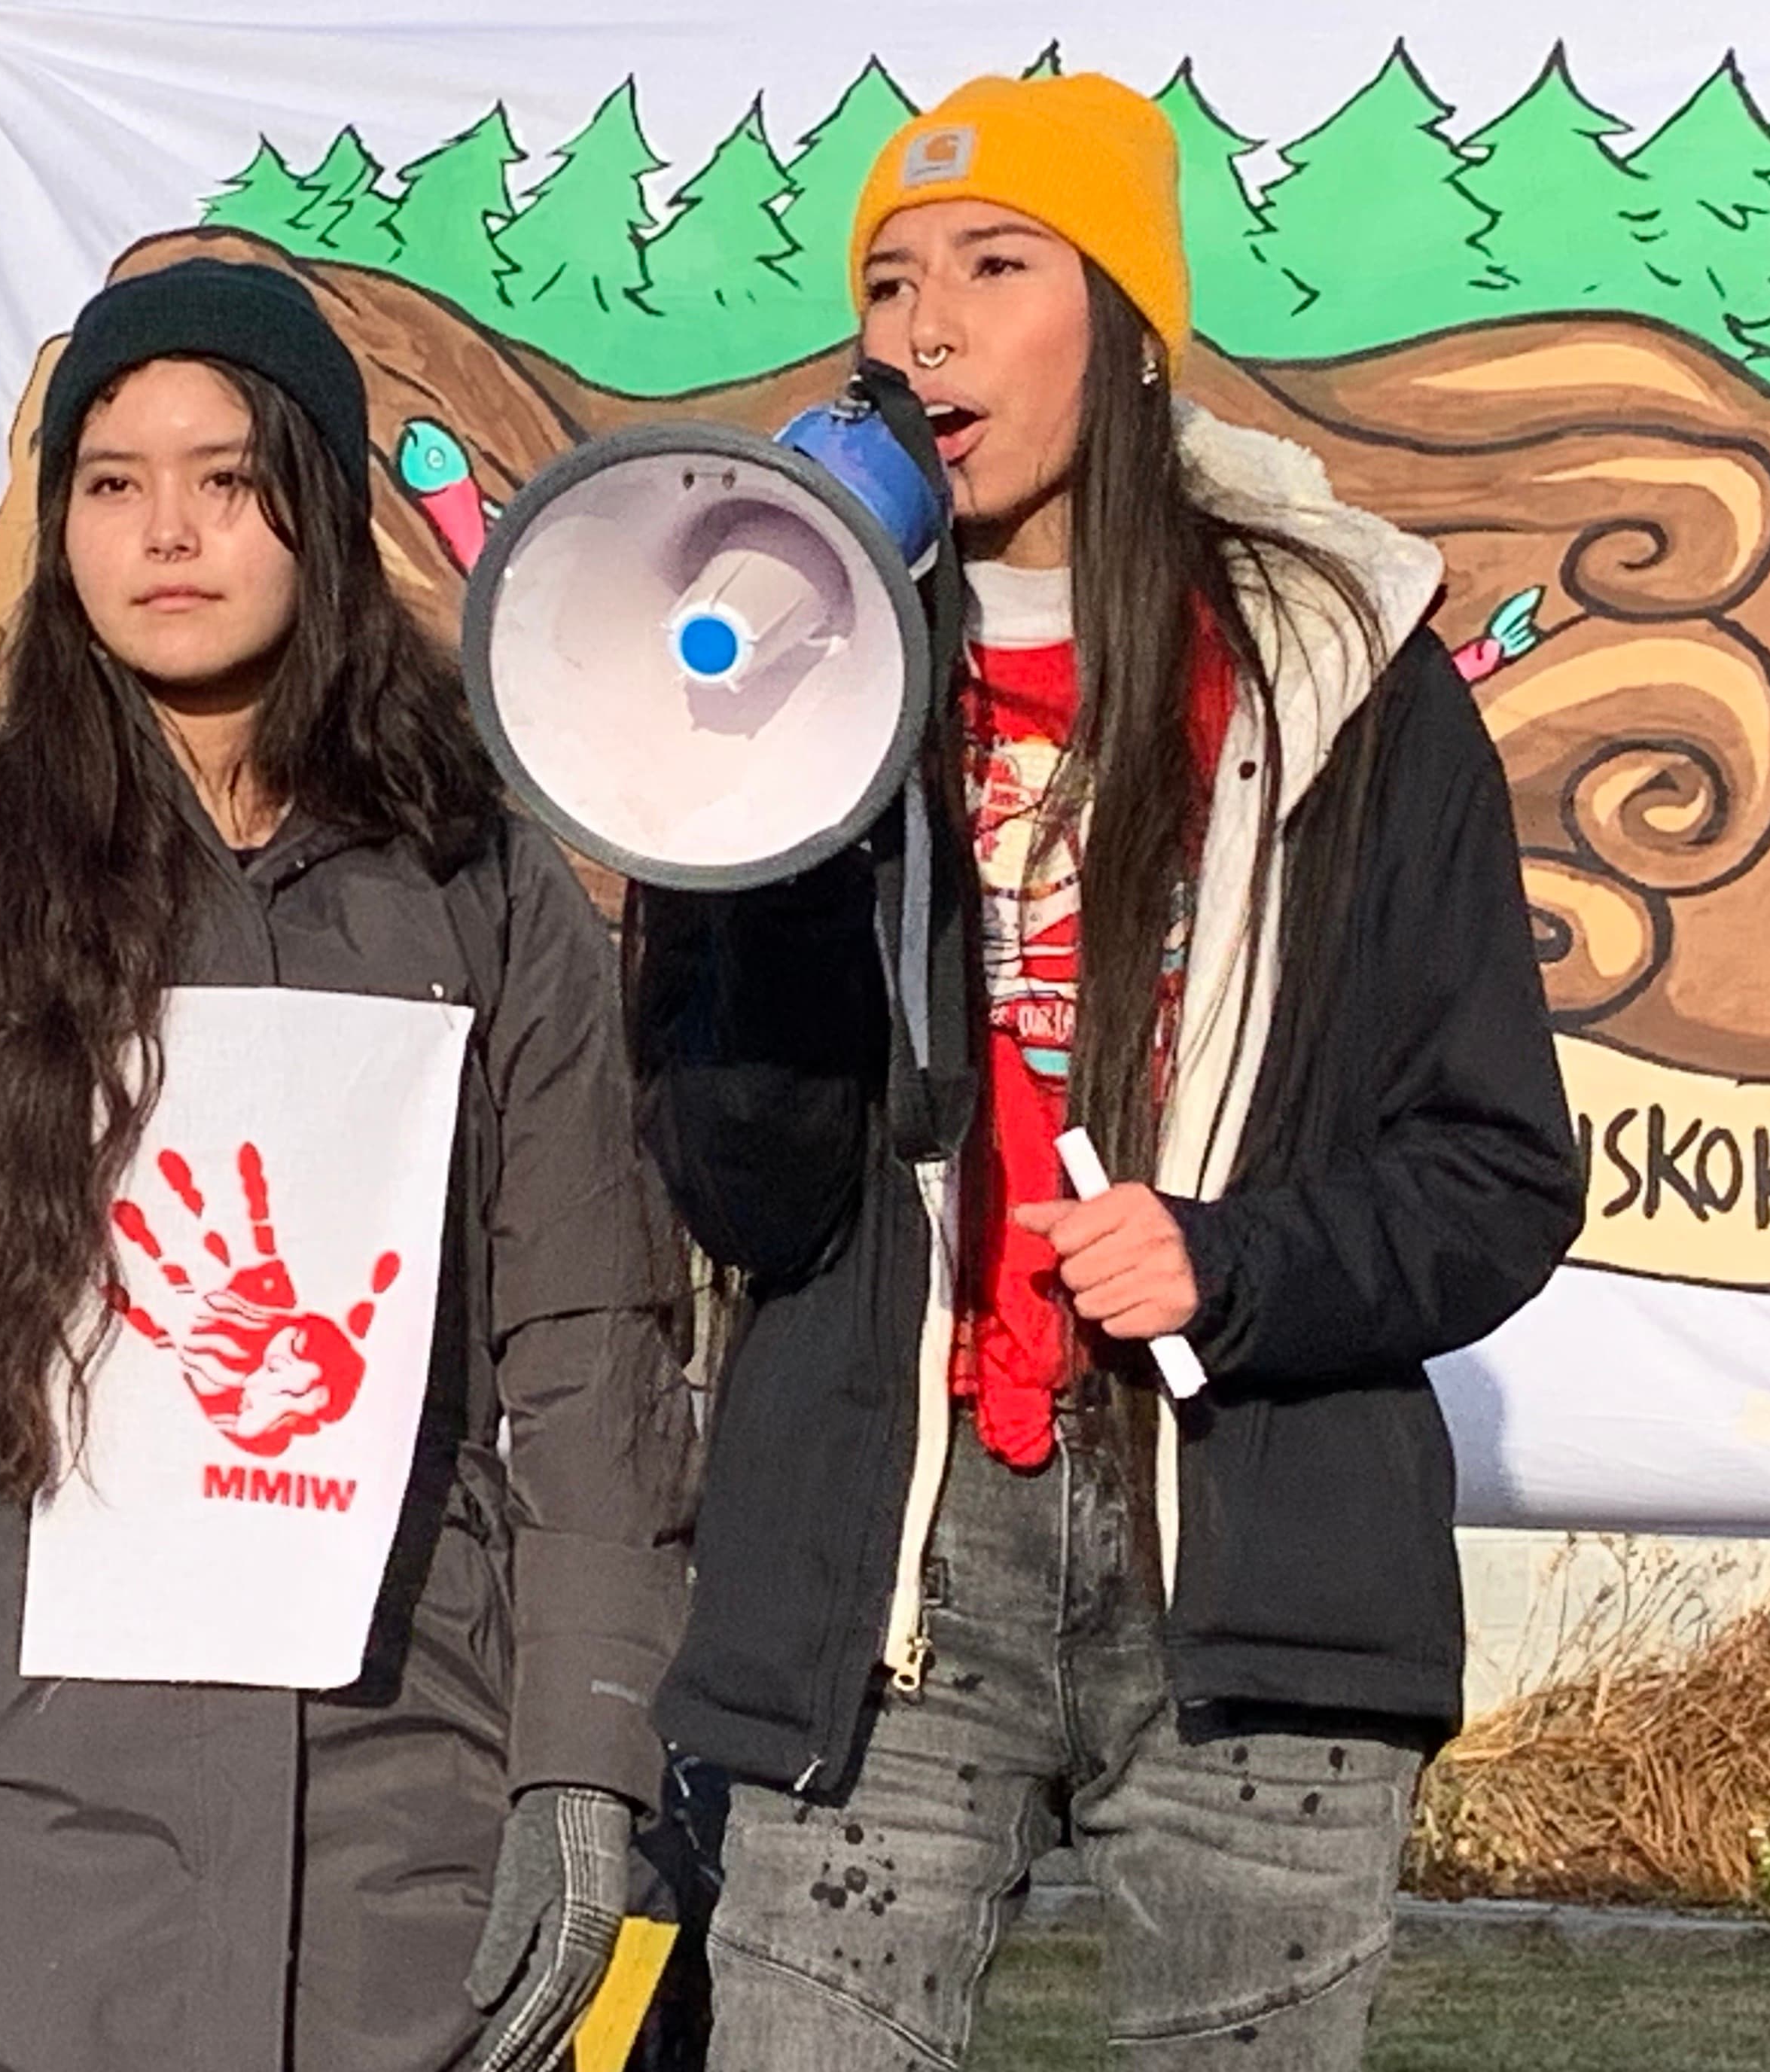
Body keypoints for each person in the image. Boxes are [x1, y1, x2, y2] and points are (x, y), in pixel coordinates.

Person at [631, 73, 1584, 2070]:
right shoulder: (781, 670)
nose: (929, 328)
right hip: (883, 1578)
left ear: (1132, 328)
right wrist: (767, 846)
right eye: (890, 282)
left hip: (1248, 1563)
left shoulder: (1349, 680)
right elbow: (749, 1194)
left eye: (996, 266)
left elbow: (1496, 1169)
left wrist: (1234, 1263)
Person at [0, 260, 695, 2072]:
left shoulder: (479, 883)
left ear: (319, 503)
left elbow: (589, 1344)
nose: (166, 530)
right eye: (111, 480)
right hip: (10, 1824)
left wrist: (579, 1755)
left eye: (226, 478)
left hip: (400, 1801)